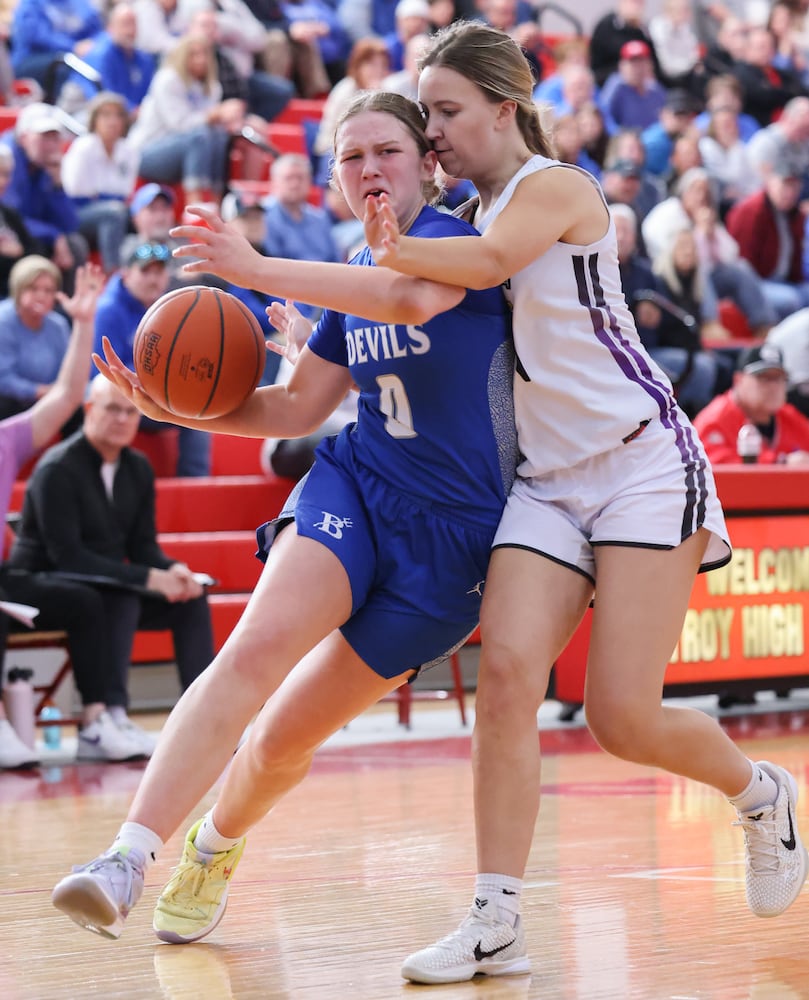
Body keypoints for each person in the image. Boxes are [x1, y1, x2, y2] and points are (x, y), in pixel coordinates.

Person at [358, 22, 805, 984]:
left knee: (620, 718)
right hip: (548, 482)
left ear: (503, 106)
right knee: (511, 673)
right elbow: (409, 301)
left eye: (446, 111)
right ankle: (495, 919)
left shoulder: (555, 188)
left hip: (641, 461)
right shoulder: (456, 213)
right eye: (423, 114)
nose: (431, 131)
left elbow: (481, 269)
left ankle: (761, 791)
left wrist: (390, 248)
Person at [49, 90, 517, 950]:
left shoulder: (458, 246)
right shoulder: (344, 273)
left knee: (280, 742)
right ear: (335, 178)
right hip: (359, 489)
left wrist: (253, 265)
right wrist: (178, 411)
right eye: (350, 157)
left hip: (453, 545)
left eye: (386, 151)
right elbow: (298, 406)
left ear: (426, 161)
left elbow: (411, 300)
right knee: (251, 653)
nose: (369, 169)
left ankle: (214, 843)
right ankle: (125, 856)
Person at [8, 373, 216, 756]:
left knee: (190, 600)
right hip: (41, 582)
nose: (122, 419)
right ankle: (110, 717)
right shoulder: (58, 469)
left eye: (130, 412)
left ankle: (203, 718)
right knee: (119, 597)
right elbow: (66, 557)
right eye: (112, 410)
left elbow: (142, 548)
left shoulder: (137, 468)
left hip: (102, 585)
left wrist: (173, 571)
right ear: (89, 410)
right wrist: (146, 577)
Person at [0, 264, 148, 769]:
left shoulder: (7, 439)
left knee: (84, 600)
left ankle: (97, 721)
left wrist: (84, 322)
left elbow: (66, 398)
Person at [93, 240, 213, 477]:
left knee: (196, 407)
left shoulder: (171, 308)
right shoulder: (108, 310)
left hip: (150, 392)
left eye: (159, 271)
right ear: (126, 274)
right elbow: (101, 371)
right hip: (111, 391)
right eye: (145, 271)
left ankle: (194, 485)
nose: (153, 279)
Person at [60, 90, 140, 276]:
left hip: (114, 209)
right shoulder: (84, 147)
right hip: (77, 214)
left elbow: (125, 192)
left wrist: (101, 196)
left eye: (118, 115)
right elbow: (74, 192)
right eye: (105, 115)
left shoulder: (129, 151)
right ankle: (114, 273)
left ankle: (146, 270)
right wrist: (106, 199)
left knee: (145, 214)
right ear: (94, 120)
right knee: (113, 212)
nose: (112, 121)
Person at [693, 342, 809, 465]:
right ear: (738, 380)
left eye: (778, 378)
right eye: (764, 378)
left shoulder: (789, 417)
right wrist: (780, 462)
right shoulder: (715, 419)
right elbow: (712, 465)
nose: (773, 387)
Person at [0, 257, 76, 423]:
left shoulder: (58, 325)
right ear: (18, 289)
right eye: (33, 289)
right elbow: (3, 379)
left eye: (48, 290)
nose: (41, 296)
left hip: (49, 399)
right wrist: (39, 391)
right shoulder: (3, 321)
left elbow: (68, 370)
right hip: (12, 401)